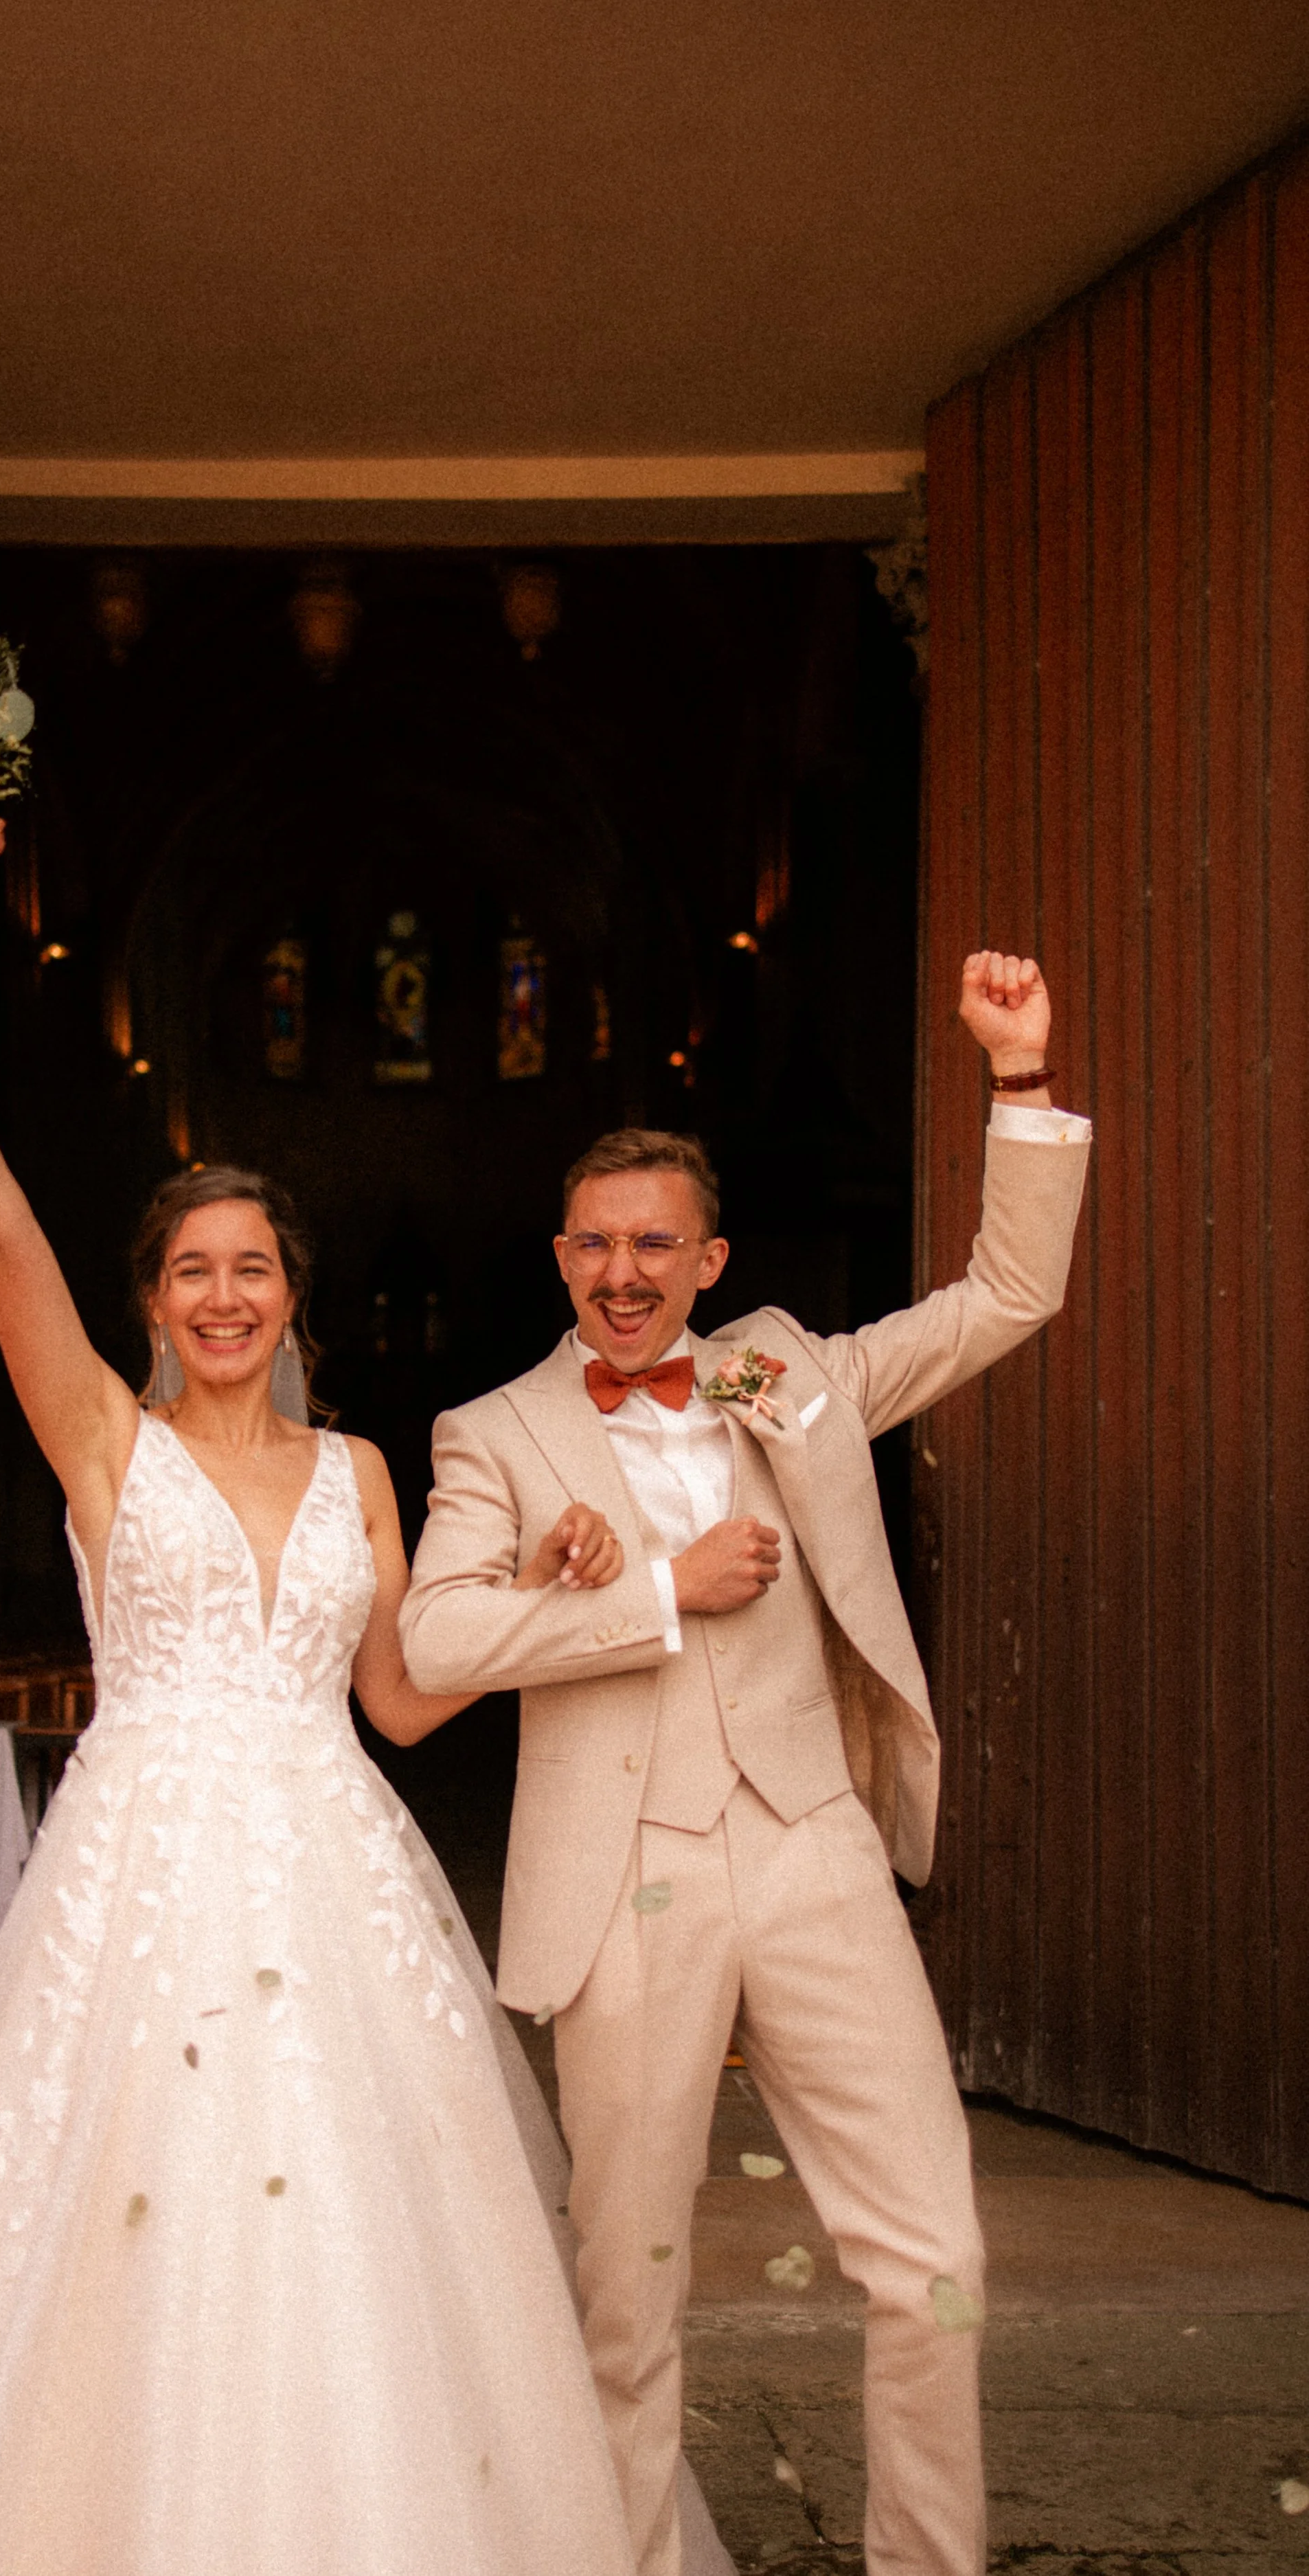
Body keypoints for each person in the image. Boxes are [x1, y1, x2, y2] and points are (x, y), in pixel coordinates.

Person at [0, 846, 648, 2576]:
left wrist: (557, 1592)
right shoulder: (101, 1446)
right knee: (107, 2216)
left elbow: (404, 1705)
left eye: (253, 1270)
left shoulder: (364, 1469)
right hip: (136, 1877)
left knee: (359, 2235)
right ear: (151, 1300)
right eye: (192, 1273)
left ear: (293, 1294)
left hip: (334, 1871)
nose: (224, 1298)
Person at [398, 953, 1092, 2576]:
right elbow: (430, 1650)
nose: (623, 1273)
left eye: (654, 1244)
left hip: (811, 1849)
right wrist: (646, 1594)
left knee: (931, 2253)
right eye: (595, 1243)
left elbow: (1007, 1297)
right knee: (626, 2293)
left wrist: (1016, 1079)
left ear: (706, 1259)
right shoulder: (489, 1434)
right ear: (557, 1256)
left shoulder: (791, 1370)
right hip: (618, 1881)